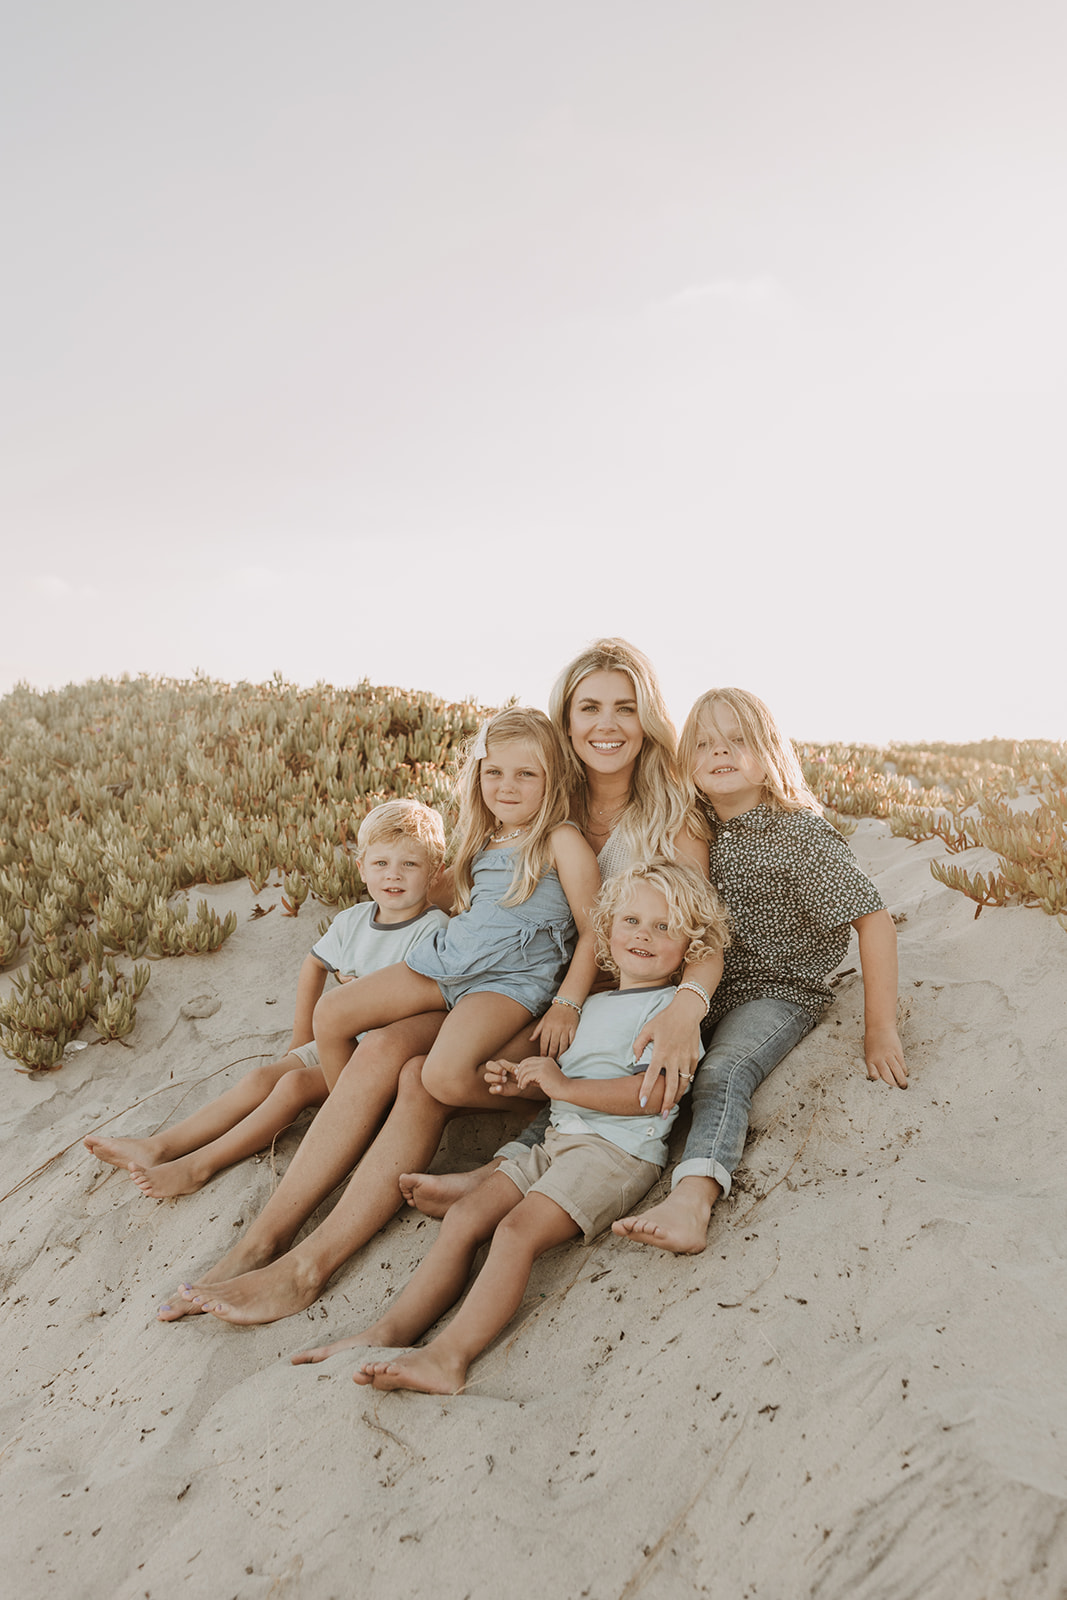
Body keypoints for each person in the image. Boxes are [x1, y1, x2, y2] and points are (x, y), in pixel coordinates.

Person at [166, 640, 716, 1326]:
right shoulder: (536, 798)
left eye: (625, 708)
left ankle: (308, 1266)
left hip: (583, 1015)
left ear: (649, 718)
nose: (606, 723)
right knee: (383, 1049)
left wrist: (685, 1008)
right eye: (589, 707)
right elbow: (472, 894)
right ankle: (263, 1245)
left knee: (426, 1073)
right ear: (565, 722)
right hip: (512, 987)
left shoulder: (672, 815)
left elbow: (705, 934)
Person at [292, 860, 729, 1394]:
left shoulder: (669, 1015)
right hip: (555, 1143)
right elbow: (559, 1077)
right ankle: (387, 1331)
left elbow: (653, 1097)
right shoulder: (590, 1003)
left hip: (614, 1154)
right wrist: (520, 1078)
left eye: (664, 927)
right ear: (607, 930)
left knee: (514, 1233)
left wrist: (563, 1088)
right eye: (632, 920)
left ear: (691, 946)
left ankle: (449, 1356)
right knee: (465, 1218)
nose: (643, 935)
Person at [611, 687, 908, 1256]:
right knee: (621, 1056)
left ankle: (692, 1200)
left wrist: (880, 1029)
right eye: (702, 743)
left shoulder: (797, 832)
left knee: (724, 1071)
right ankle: (528, 1161)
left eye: (737, 740)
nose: (719, 753)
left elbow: (873, 921)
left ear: (769, 749)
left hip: (778, 992)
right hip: (702, 990)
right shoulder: (696, 830)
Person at [83, 800, 449, 1197]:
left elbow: (425, 1000)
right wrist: (299, 1039)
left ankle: (198, 1167)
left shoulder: (434, 930)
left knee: (292, 1088)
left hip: (375, 1064)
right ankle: (159, 1147)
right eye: (380, 863)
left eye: (409, 865)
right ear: (361, 867)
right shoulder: (353, 920)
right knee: (261, 1077)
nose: (393, 875)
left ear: (435, 872)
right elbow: (314, 965)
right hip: (335, 1042)